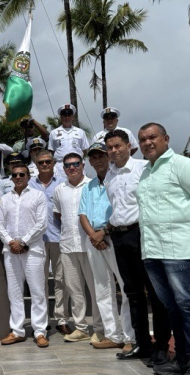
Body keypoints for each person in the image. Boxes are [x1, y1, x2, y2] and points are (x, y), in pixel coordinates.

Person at [136, 123, 190, 375]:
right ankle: (183, 360)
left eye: (152, 137)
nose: (147, 142)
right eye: (142, 140)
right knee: (173, 307)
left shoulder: (183, 165)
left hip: (181, 251)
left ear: (166, 138)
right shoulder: (146, 173)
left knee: (188, 306)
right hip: (153, 251)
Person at [104, 129, 171, 362]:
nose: (113, 151)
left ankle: (162, 346)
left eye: (117, 146)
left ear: (128, 145)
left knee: (155, 292)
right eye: (109, 147)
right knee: (132, 293)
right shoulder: (109, 175)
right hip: (119, 237)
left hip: (141, 233)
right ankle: (143, 344)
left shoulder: (143, 168)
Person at [78, 143, 136, 351]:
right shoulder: (89, 186)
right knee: (102, 288)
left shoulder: (116, 179)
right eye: (93, 158)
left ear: (108, 157)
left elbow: (122, 209)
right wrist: (93, 235)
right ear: (90, 162)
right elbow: (82, 214)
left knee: (126, 286)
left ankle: (130, 336)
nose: (98, 160)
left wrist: (105, 232)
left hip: (115, 237)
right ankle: (113, 334)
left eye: (101, 156)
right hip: (93, 240)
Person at [52, 152, 104, 344]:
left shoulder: (93, 185)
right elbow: (59, 216)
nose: (72, 168)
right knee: (74, 290)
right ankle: (81, 327)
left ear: (83, 165)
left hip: (90, 245)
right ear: (63, 168)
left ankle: (99, 328)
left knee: (95, 289)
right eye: (67, 165)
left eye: (75, 164)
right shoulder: (59, 190)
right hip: (67, 245)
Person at [0, 164, 49, 348]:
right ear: (11, 178)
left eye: (22, 174)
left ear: (28, 176)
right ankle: (17, 331)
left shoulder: (38, 195)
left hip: (32, 250)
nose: (18, 177)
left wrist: (24, 241)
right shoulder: (5, 199)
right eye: (15, 175)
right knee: (15, 292)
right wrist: (11, 242)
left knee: (37, 291)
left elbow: (42, 223)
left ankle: (40, 331)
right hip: (10, 251)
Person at [27, 150, 68, 335]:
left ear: (53, 163)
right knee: (39, 282)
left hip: (59, 236)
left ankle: (61, 319)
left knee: (61, 280)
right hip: (36, 241)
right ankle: (41, 321)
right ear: (36, 165)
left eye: (47, 162)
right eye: (41, 162)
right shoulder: (28, 185)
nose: (44, 165)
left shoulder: (62, 183)